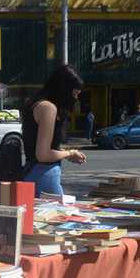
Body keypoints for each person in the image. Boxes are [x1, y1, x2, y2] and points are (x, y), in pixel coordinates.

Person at [21, 64, 88, 197]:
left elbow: (39, 147)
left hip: (33, 172)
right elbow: (43, 155)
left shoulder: (36, 103)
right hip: (44, 174)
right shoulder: (48, 108)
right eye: (74, 94)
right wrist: (69, 153)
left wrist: (64, 153)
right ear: (64, 90)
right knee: (61, 215)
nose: (75, 99)